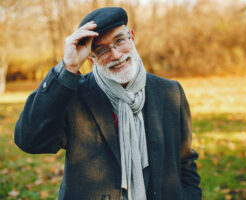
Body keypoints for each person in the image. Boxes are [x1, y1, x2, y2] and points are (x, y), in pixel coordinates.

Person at [14, 7, 202, 200]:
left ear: (132, 37)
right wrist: (67, 68)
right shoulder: (74, 95)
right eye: (102, 50)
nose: (116, 55)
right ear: (90, 58)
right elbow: (29, 140)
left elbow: (185, 162)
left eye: (119, 41)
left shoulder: (170, 92)